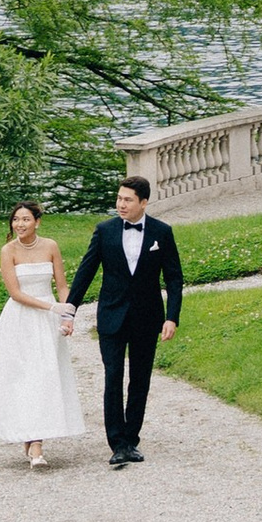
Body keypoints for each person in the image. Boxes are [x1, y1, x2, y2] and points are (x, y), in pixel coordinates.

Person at [67, 174, 183, 468]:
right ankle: (117, 443)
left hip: (147, 317)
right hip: (111, 316)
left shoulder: (162, 232)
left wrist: (172, 317)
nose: (121, 204)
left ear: (143, 202)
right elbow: (86, 271)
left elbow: (174, 278)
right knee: (113, 376)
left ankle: (132, 439)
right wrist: (70, 308)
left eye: (128, 200)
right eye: (119, 198)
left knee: (140, 379)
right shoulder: (104, 231)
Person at [0, 202, 83, 470]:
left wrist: (67, 315)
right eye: (15, 220)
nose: (20, 224)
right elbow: (16, 293)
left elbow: (61, 285)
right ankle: (33, 442)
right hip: (21, 320)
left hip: (48, 322)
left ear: (37, 221)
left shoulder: (51, 246)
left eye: (25, 219)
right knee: (23, 379)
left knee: (45, 377)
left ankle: (35, 441)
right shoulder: (8, 251)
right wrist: (51, 307)